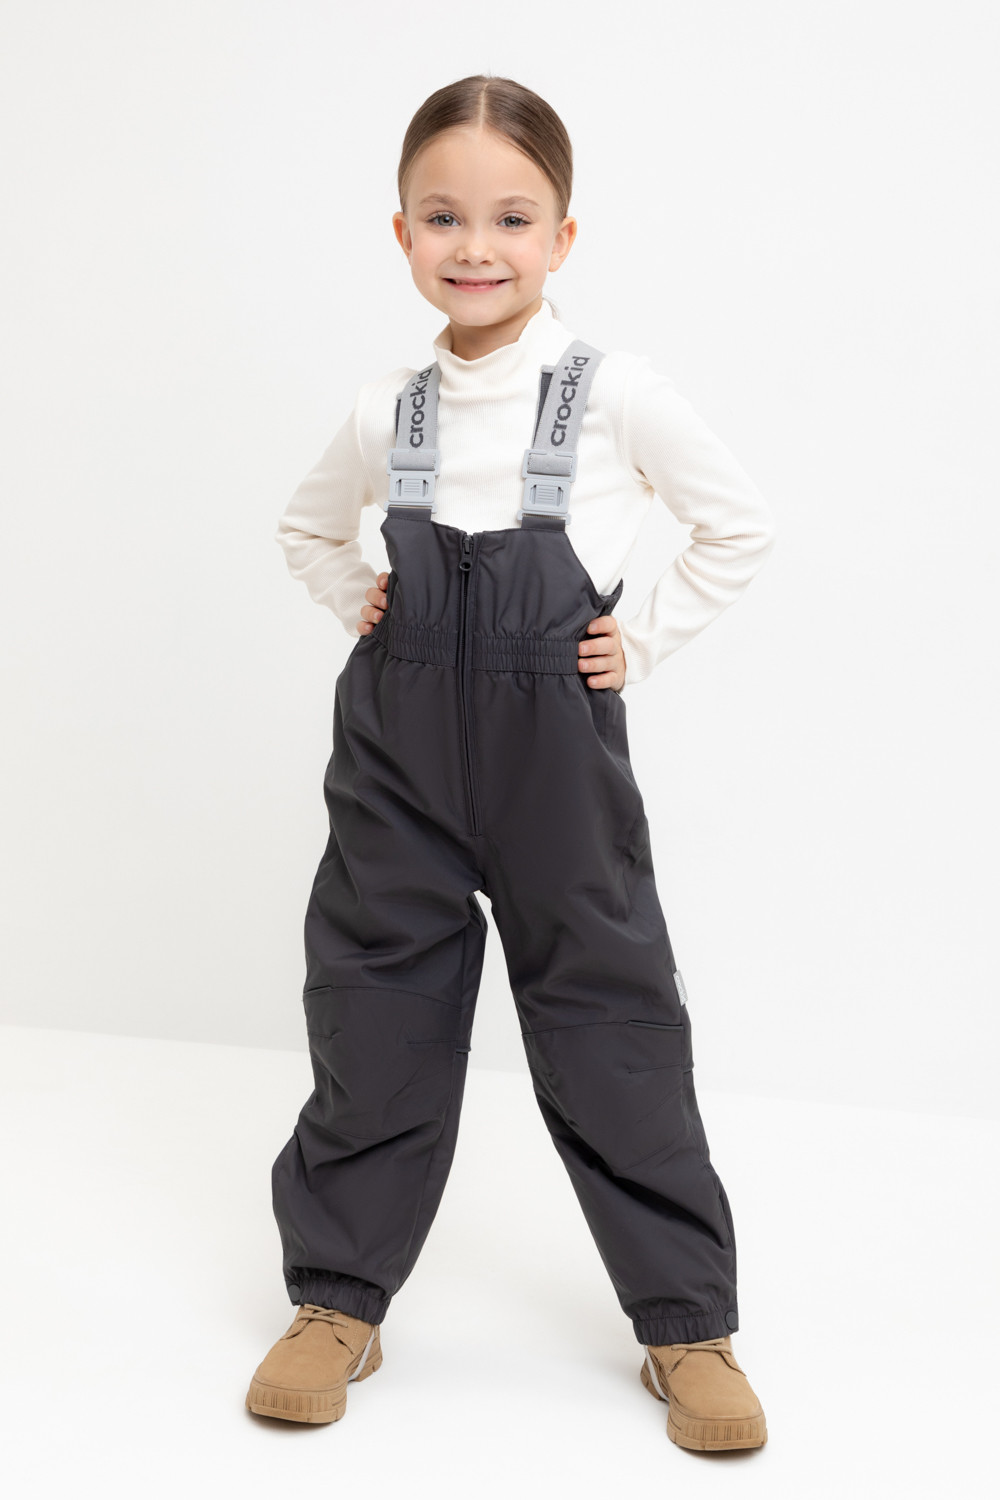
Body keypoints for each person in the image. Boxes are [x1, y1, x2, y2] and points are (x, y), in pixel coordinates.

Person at [245, 74, 776, 1452]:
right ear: (402, 233)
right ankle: (336, 1299)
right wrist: (359, 597)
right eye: (442, 217)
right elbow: (307, 530)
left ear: (562, 237)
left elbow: (738, 525)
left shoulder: (613, 394)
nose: (475, 245)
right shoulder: (390, 408)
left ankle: (687, 1325)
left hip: (557, 765)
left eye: (511, 218)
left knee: (611, 1027)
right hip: (398, 757)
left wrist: (635, 643)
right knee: (374, 1016)